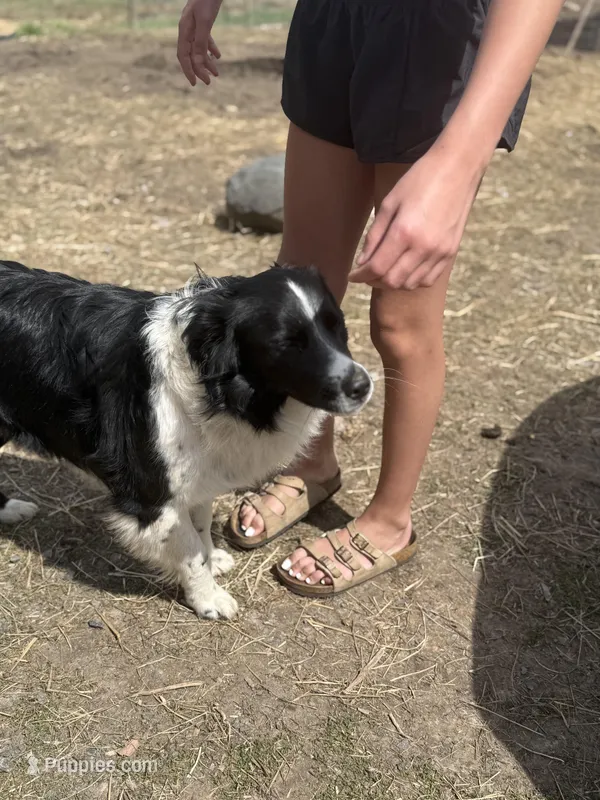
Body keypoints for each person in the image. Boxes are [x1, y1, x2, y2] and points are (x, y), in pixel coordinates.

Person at [176, 0, 565, 597]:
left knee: (401, 320)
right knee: (303, 282)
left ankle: (390, 520)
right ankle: (312, 462)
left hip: (434, 33)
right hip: (335, 17)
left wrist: (458, 162)